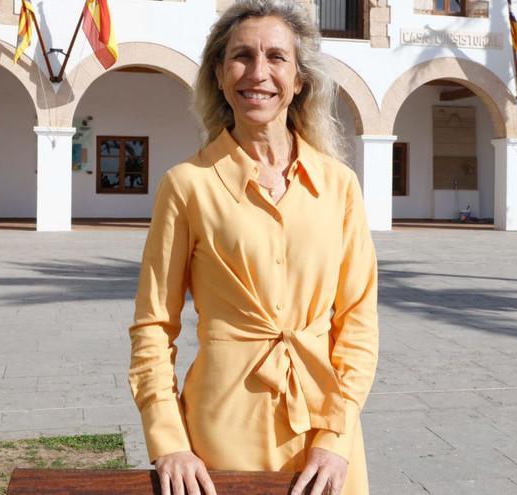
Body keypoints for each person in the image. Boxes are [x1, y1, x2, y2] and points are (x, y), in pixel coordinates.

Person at [127, 1, 379, 494]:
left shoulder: (340, 185)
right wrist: (168, 441)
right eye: (241, 56)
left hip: (324, 432)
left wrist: (336, 435)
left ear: (300, 78)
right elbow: (153, 326)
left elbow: (358, 323)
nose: (257, 73)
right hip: (221, 431)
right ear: (219, 75)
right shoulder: (187, 185)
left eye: (276, 57)